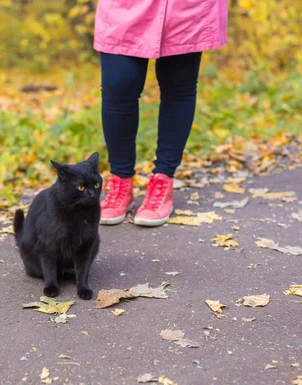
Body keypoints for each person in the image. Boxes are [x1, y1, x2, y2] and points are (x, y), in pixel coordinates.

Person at [94, 0, 228, 227]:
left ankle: (163, 180)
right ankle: (120, 181)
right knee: (118, 85)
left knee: (178, 86)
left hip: (184, 8)